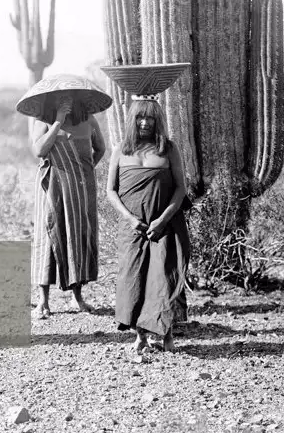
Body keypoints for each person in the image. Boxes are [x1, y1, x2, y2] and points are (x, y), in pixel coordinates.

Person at [106, 97, 189, 358]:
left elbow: (180, 188)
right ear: (131, 120)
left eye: (150, 118)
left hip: (164, 224)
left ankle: (166, 334)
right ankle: (140, 335)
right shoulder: (121, 149)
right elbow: (110, 191)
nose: (144, 122)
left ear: (157, 121)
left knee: (163, 277)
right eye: (140, 117)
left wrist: (163, 219)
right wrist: (130, 219)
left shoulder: (168, 149)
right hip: (132, 226)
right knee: (133, 278)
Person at [30, 94, 106, 318]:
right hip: (50, 184)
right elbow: (39, 151)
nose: (66, 101)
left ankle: (77, 297)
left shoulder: (89, 120)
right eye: (60, 99)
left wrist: (84, 170)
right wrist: (58, 121)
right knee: (48, 235)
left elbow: (100, 149)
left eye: (70, 98)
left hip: (80, 187)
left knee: (77, 236)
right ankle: (42, 302)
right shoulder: (42, 121)